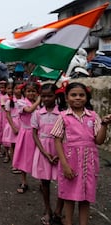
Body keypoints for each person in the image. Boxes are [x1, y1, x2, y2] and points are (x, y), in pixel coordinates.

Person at [51, 82, 111, 225]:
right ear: (66, 98)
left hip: (88, 163)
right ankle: (68, 222)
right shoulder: (63, 117)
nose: (77, 98)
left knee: (86, 197)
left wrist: (104, 124)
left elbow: (99, 141)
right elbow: (57, 141)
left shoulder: (93, 116)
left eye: (81, 95)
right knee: (69, 197)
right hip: (70, 162)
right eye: (73, 95)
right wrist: (64, 165)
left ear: (87, 97)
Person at [31, 84, 64, 225]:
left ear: (56, 96)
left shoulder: (62, 113)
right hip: (43, 150)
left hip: (60, 150)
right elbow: (35, 134)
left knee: (63, 182)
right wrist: (44, 153)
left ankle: (58, 211)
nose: (46, 98)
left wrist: (59, 154)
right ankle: (48, 209)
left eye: (49, 95)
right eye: (43, 96)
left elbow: (66, 134)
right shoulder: (37, 113)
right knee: (44, 182)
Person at [12, 82, 41, 194]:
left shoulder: (40, 105)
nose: (31, 93)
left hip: (38, 133)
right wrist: (39, 100)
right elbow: (29, 110)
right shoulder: (21, 102)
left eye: (33, 91)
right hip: (26, 134)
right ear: (24, 92)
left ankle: (41, 182)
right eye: (28, 91)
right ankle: (24, 181)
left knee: (38, 158)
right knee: (24, 158)